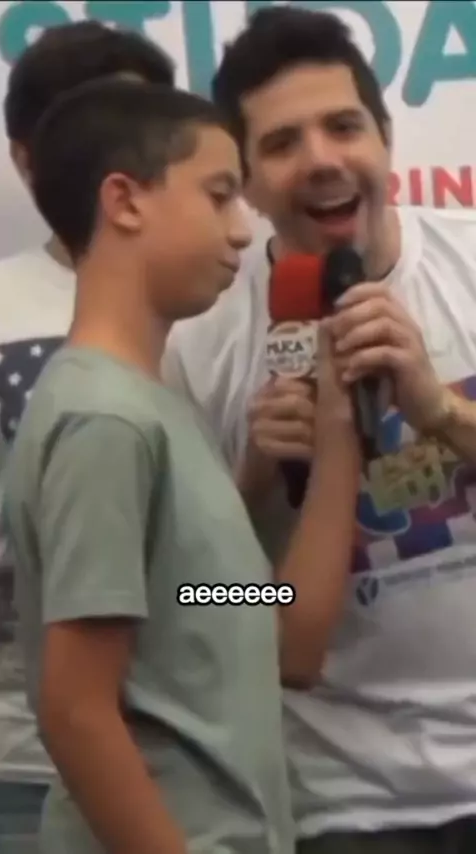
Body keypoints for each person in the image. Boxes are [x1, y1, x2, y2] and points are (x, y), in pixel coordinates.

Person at [2, 75, 362, 854]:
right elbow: (77, 710)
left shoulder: (158, 407)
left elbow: (261, 625)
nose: (242, 232)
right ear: (125, 201)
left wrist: (337, 425)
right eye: (220, 195)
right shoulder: (105, 420)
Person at [162, 6, 476, 854]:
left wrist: (442, 412)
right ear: (247, 183)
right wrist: (249, 490)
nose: (322, 160)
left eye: (343, 127)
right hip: (337, 804)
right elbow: (194, 600)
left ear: (386, 140)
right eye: (282, 143)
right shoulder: (197, 343)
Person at [0, 20, 174, 851]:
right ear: (26, 158)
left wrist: (257, 602)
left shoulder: (221, 302)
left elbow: (222, 580)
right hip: (26, 773)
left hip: (215, 762)